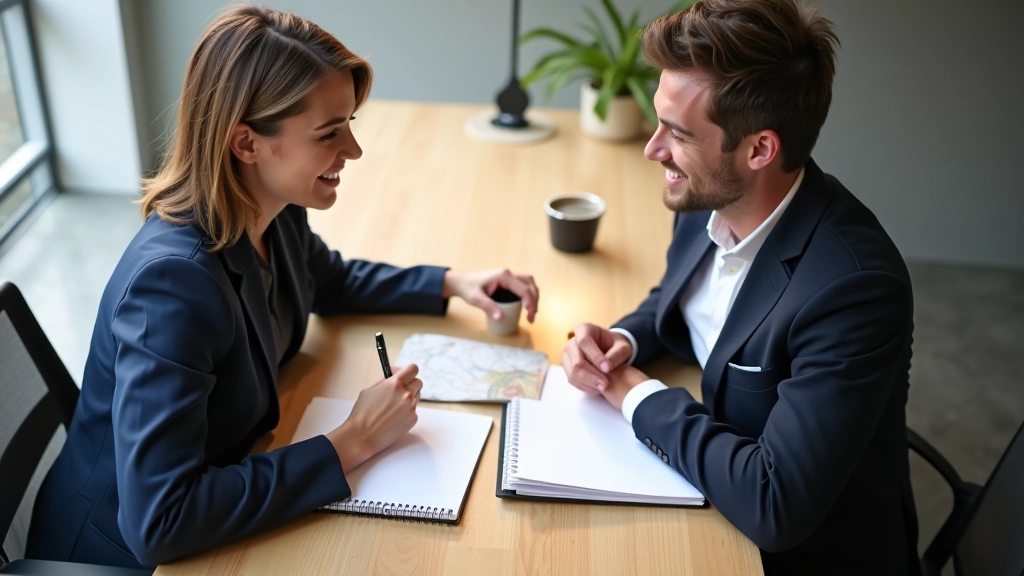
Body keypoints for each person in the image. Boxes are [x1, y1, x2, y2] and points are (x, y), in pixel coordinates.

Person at [25, 5, 539, 569]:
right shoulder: (171, 286)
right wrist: (354, 440)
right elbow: (160, 521)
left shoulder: (274, 209)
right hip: (116, 558)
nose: (353, 149)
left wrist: (453, 283)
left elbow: (330, 282)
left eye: (349, 123)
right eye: (329, 132)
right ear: (246, 144)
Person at [561, 1, 920, 574]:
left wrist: (631, 391)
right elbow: (685, 304)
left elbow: (776, 504)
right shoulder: (709, 195)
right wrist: (623, 342)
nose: (653, 148)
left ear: (759, 150)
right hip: (710, 485)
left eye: (678, 134)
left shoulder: (855, 290)